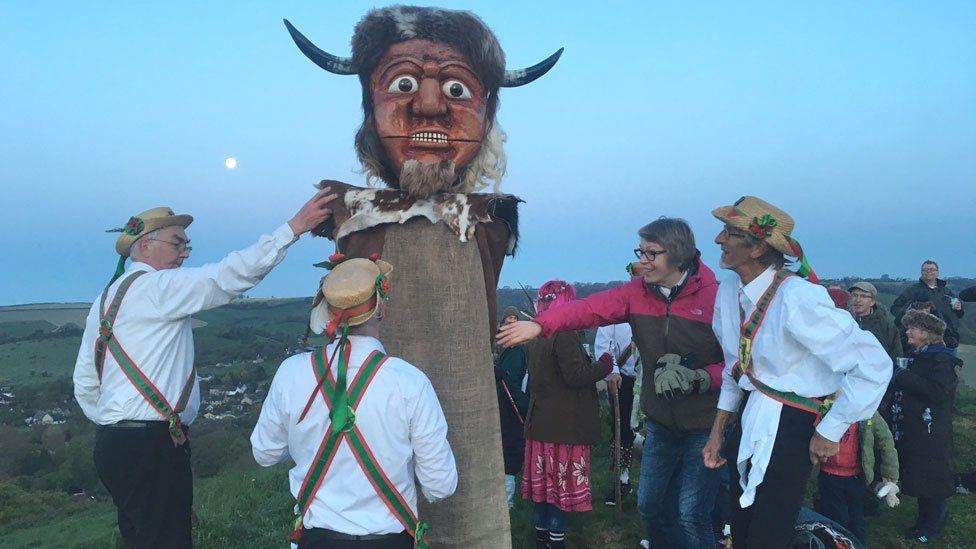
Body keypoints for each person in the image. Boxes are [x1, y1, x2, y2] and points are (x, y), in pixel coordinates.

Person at [284, 8, 563, 545]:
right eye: (403, 84)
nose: (430, 105)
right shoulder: (354, 211)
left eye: (457, 89)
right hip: (369, 423)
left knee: (463, 509)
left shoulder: (487, 219)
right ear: (371, 107)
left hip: (463, 405)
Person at [73, 191, 336, 548]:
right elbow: (227, 277)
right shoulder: (157, 287)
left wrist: (114, 420)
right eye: (178, 243)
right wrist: (292, 229)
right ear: (145, 245)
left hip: (112, 445)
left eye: (187, 245)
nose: (184, 252)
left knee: (137, 539)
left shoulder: (104, 300)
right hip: (152, 445)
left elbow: (86, 382)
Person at [499, 218, 725, 549]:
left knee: (690, 513)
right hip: (661, 423)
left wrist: (703, 377)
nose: (641, 260)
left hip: (705, 423)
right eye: (641, 251)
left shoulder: (715, 298)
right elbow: (589, 310)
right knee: (650, 506)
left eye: (651, 253)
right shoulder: (637, 294)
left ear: (678, 254)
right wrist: (540, 325)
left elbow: (739, 364)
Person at [701, 196, 891, 549]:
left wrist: (831, 430)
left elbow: (873, 364)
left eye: (729, 232)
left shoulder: (798, 298)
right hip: (749, 418)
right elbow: (735, 371)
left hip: (792, 424)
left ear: (758, 247)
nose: (718, 240)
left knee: (769, 534)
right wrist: (717, 433)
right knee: (741, 529)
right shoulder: (728, 292)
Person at [251, 256, 457, 548]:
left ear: (327, 313)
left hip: (316, 540)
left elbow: (265, 453)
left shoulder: (290, 373)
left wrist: (306, 446)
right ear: (381, 309)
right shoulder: (411, 382)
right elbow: (440, 486)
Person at [520, 281, 611, 549]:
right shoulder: (565, 332)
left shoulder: (536, 334)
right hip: (564, 428)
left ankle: (541, 541)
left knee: (544, 493)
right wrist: (604, 365)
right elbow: (576, 376)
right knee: (559, 492)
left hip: (539, 425)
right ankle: (555, 543)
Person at [889, 310, 961, 544]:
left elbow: (939, 393)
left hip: (933, 431)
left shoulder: (941, 360)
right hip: (919, 429)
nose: (907, 332)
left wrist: (902, 376)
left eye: (913, 328)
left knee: (935, 480)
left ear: (927, 334)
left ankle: (933, 527)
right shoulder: (918, 355)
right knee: (922, 477)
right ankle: (923, 522)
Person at [596, 263, 643, 506]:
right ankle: (623, 480)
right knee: (622, 432)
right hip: (625, 380)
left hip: (655, 382)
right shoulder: (619, 305)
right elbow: (604, 345)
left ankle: (652, 479)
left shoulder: (663, 303)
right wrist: (612, 371)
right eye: (635, 274)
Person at [816, 410, 899, 543]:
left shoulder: (868, 413)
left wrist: (890, 474)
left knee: (857, 519)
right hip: (829, 475)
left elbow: (886, 441)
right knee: (835, 519)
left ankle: (858, 544)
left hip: (855, 477)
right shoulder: (826, 408)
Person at [496, 306, 530, 509]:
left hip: (513, 406)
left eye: (514, 319)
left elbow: (513, 382)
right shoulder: (507, 349)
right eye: (507, 319)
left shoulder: (517, 351)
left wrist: (503, 378)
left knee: (510, 449)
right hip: (504, 405)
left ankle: (508, 502)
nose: (511, 322)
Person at [891, 261, 964, 349]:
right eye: (925, 270)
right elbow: (895, 308)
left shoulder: (946, 291)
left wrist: (959, 308)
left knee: (948, 362)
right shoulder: (912, 291)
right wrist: (910, 313)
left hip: (948, 338)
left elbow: (959, 315)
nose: (928, 271)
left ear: (937, 272)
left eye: (931, 269)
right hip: (922, 339)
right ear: (921, 272)